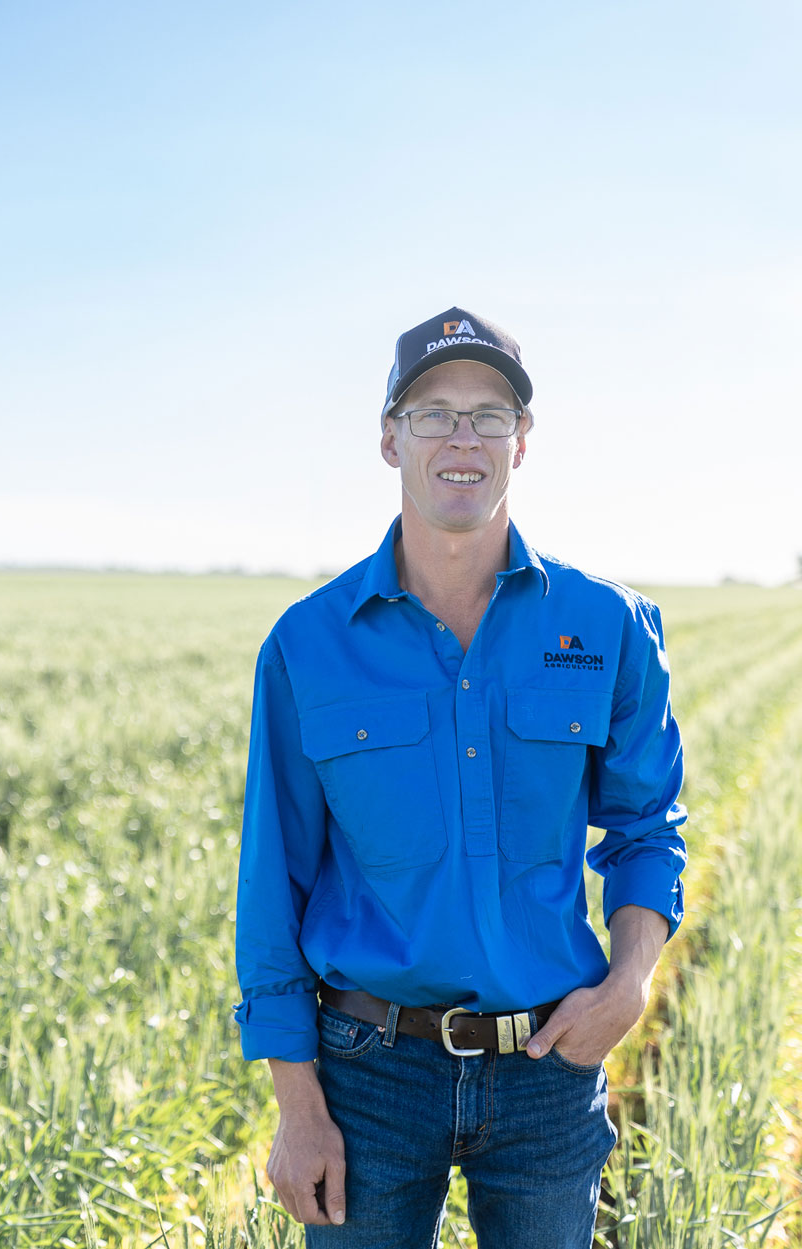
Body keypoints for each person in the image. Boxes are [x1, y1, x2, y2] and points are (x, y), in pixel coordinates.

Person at [233, 305, 687, 1249]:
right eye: (434, 411)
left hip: (549, 1068)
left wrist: (628, 983)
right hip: (367, 1075)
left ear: (523, 442)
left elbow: (647, 828)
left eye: (488, 414)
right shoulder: (308, 645)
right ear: (390, 437)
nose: (461, 437)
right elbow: (273, 882)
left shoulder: (607, 627)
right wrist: (296, 1102)